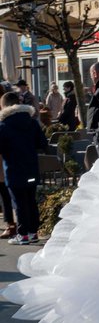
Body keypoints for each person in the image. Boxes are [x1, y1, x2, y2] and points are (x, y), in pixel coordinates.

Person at [0, 90, 48, 244]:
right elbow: (42, 144)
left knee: (19, 202)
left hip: (13, 169)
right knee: (31, 200)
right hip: (31, 167)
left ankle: (23, 235)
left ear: (5, 106)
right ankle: (33, 232)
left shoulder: (4, 125)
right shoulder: (32, 122)